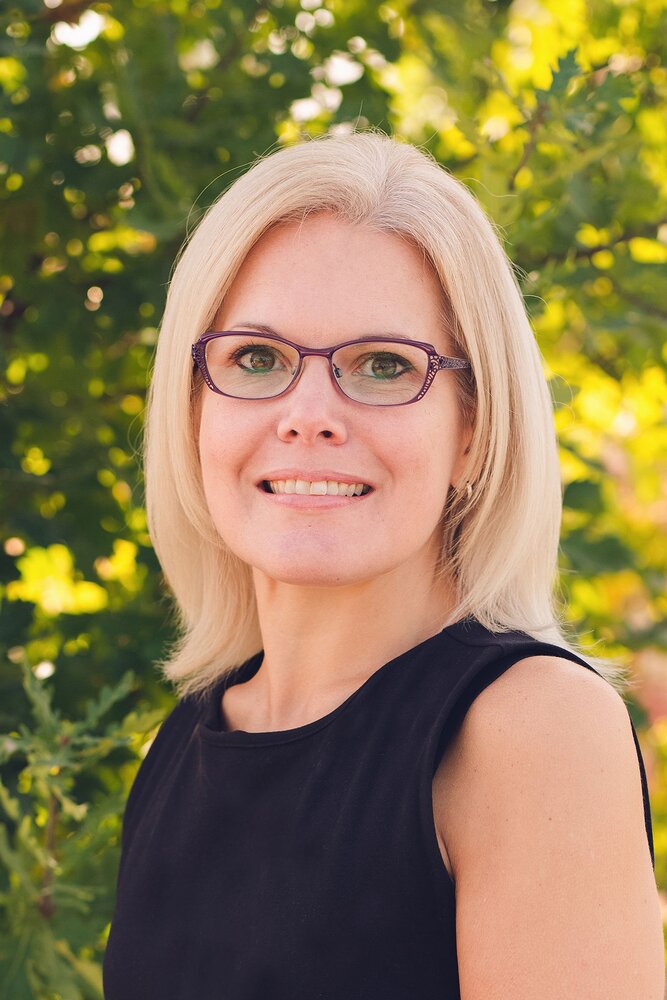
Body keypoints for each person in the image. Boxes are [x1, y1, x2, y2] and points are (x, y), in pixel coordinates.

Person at [102, 130, 664, 999]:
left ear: (472, 432)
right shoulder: (186, 743)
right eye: (256, 359)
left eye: (381, 366)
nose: (309, 414)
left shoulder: (530, 730)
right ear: (192, 413)